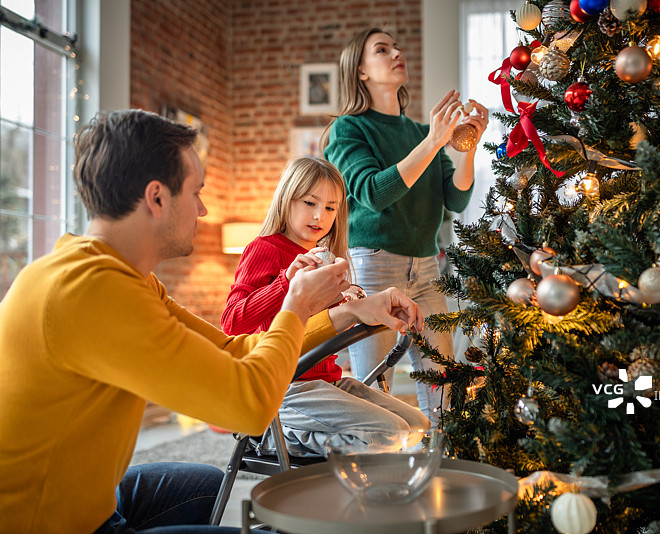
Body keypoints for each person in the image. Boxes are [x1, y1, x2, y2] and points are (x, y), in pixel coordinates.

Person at [0, 109, 423, 534]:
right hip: (52, 525)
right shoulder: (93, 292)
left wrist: (347, 311)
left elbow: (231, 348)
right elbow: (247, 406)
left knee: (211, 487)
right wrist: (294, 302)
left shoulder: (128, 279)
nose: (203, 209)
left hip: (96, 499)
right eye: (196, 191)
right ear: (157, 197)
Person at [322, 28, 489, 425]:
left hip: (428, 268)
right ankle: (377, 472)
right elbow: (373, 193)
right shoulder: (349, 129)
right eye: (382, 49)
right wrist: (434, 142)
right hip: (374, 266)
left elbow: (456, 198)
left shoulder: (418, 133)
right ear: (360, 71)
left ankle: (439, 464)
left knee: (444, 381)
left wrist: (467, 145)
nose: (397, 52)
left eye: (396, 46)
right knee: (373, 388)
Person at [221, 156, 430, 456]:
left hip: (327, 380)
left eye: (330, 207)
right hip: (285, 387)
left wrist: (354, 303)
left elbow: (323, 328)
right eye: (310, 203)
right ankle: (272, 436)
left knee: (416, 425)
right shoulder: (265, 248)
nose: (320, 215)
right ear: (287, 199)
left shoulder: (327, 258)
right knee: (389, 434)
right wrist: (286, 282)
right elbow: (231, 321)